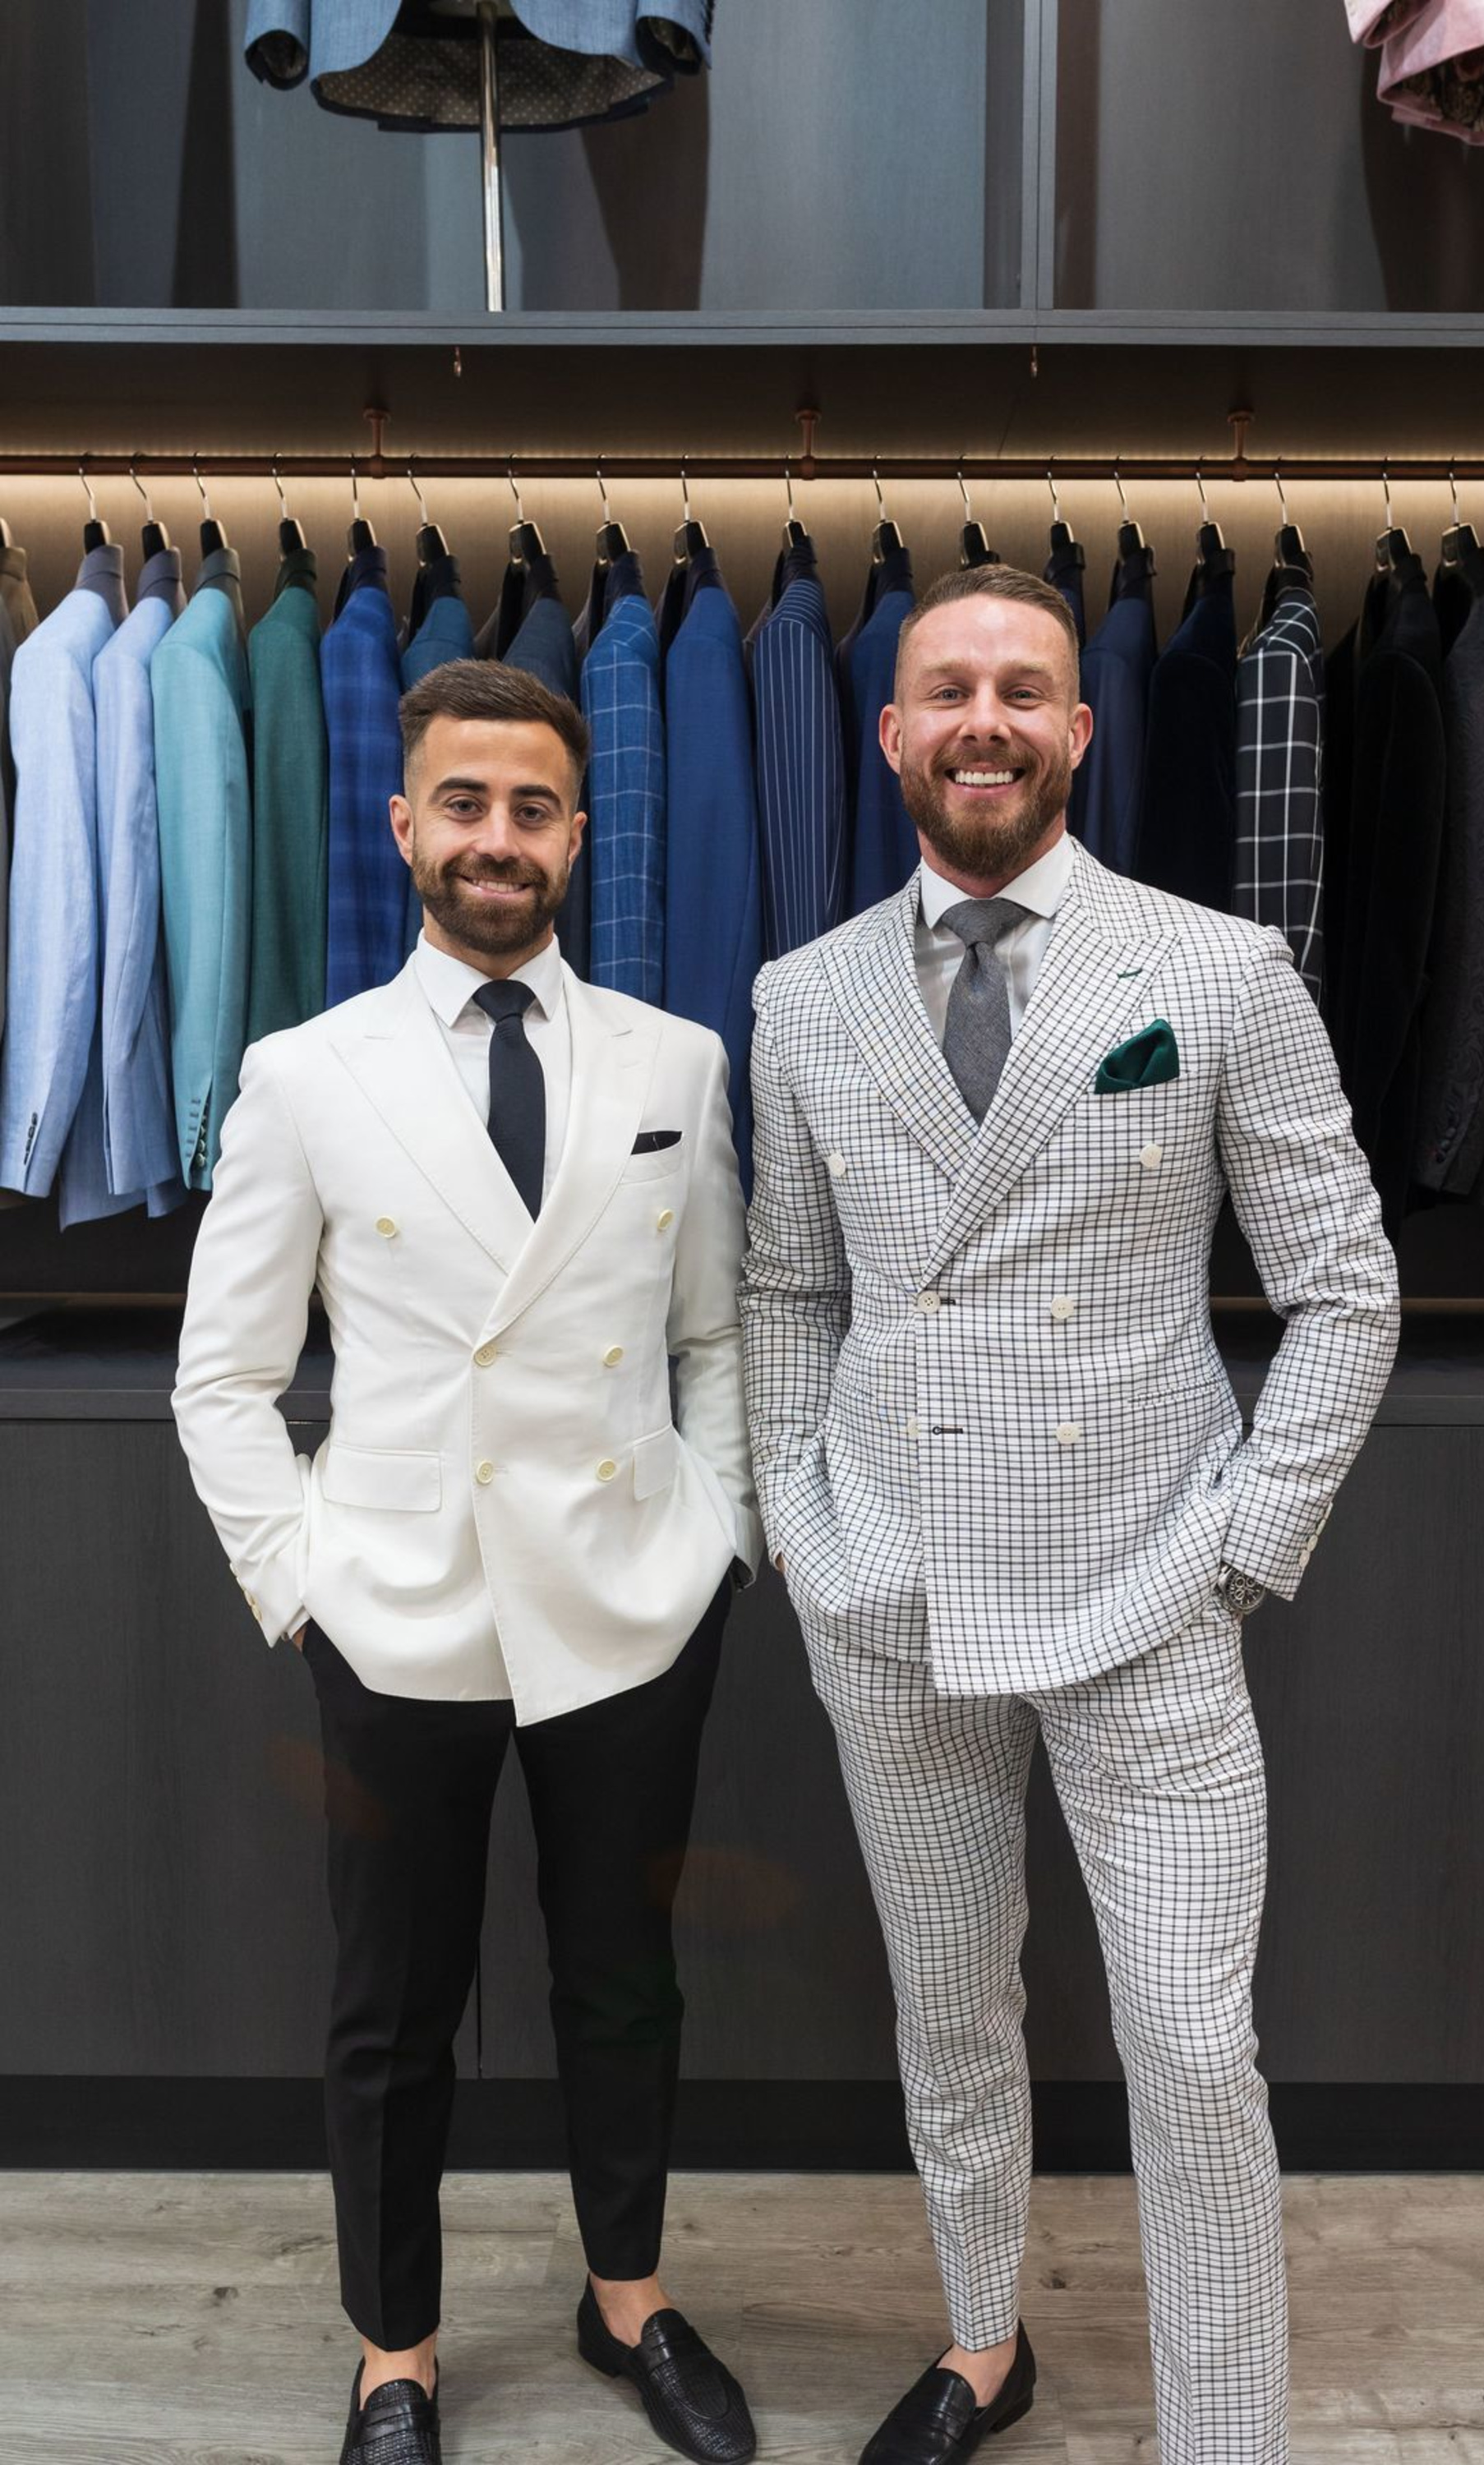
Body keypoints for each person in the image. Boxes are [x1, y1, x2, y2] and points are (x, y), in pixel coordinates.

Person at [739, 566, 1399, 2465]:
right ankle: (977, 2345)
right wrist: (798, 1511)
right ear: (889, 734)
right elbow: (791, 1284)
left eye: (1023, 686)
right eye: (948, 687)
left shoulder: (1210, 971)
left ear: (1079, 730)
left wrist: (1245, 1545)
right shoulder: (801, 997)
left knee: (1193, 2057)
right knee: (950, 2024)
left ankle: (1222, 2438)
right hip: (890, 1590)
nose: (985, 720)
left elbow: (1342, 1289)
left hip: (1149, 1588)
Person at [174, 659, 762, 2465]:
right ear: (403, 820)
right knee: (392, 2007)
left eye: (530, 808)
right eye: (463, 802)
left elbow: (717, 1340)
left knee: (624, 1975)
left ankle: (629, 2298)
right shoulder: (303, 1075)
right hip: (401, 1611)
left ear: (578, 835)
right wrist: (306, 1585)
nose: (495, 838)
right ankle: (395, 2351)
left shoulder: (677, 1060)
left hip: (628, 1600)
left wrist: (719, 1535)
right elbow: (225, 1377)